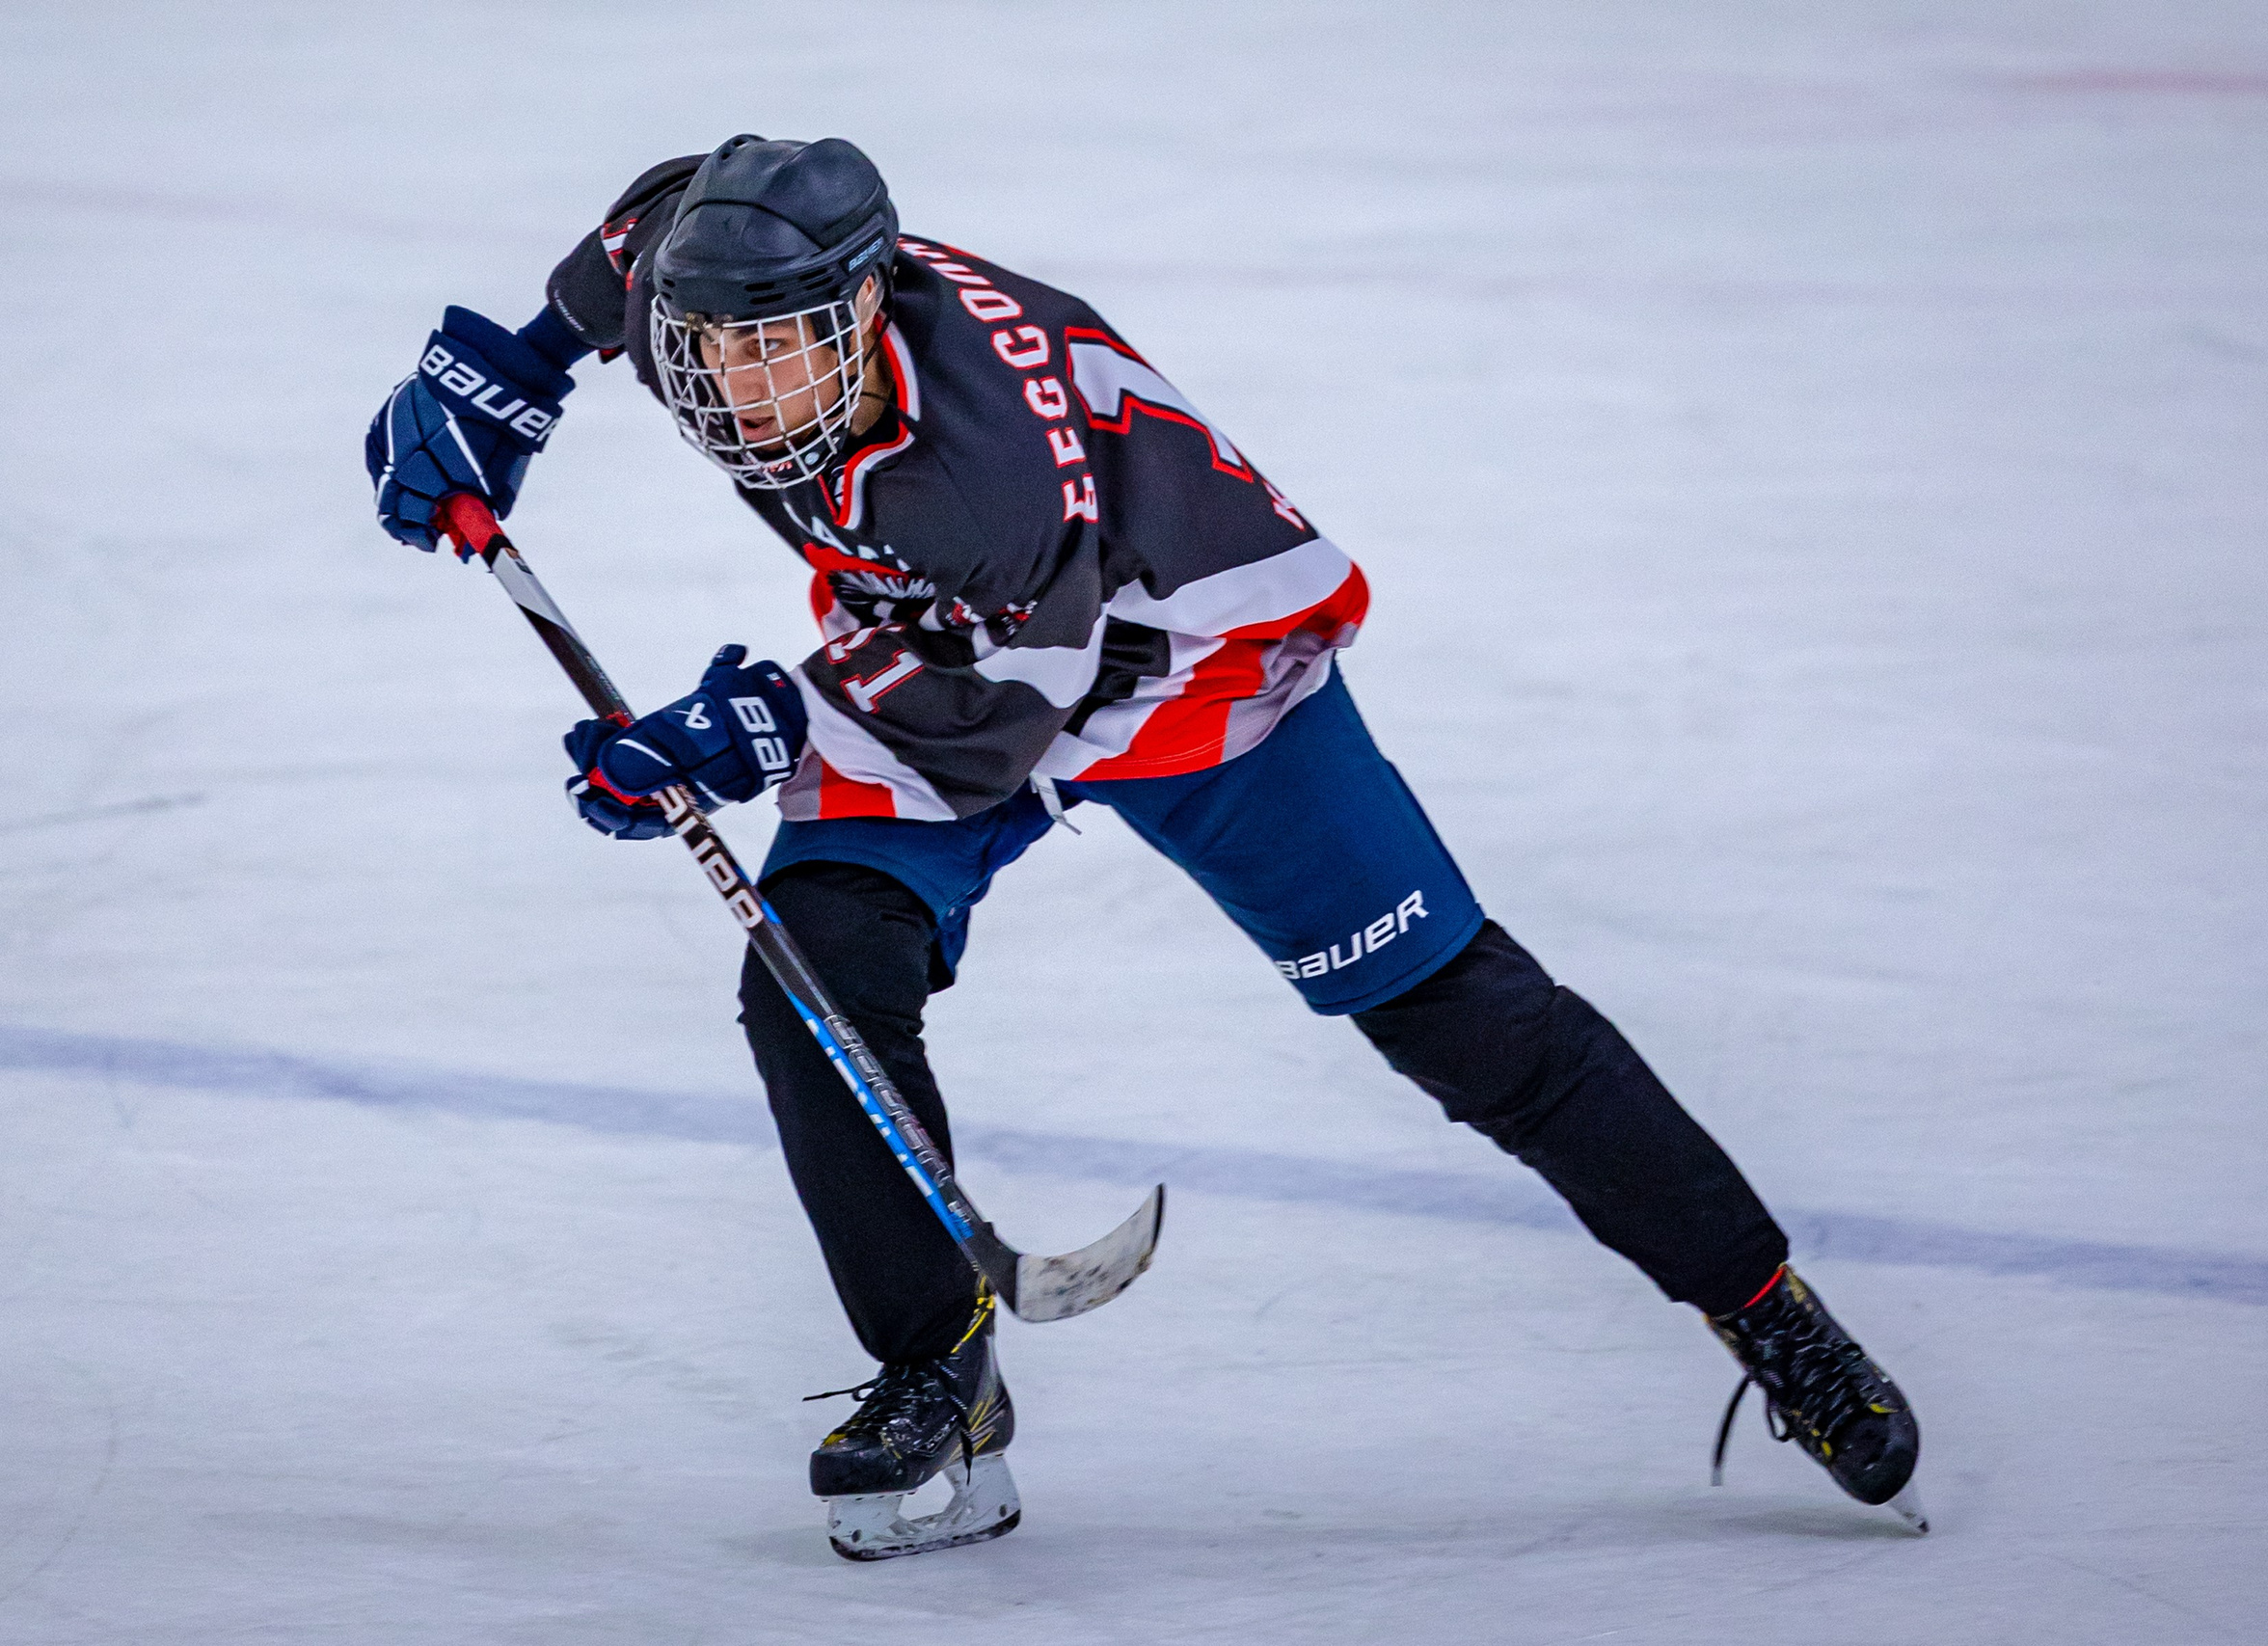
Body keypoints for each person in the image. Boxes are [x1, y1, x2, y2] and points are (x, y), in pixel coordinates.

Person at [365, 134, 1923, 1558]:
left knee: (1464, 1016)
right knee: (817, 978)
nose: (745, 389)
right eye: (715, 350)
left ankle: (1764, 1305)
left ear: (865, 307)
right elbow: (639, 237)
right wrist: (510, 376)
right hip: (951, 633)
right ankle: (939, 1385)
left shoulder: (976, 464)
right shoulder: (710, 280)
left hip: (1191, 667)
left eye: (782, 349)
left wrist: (747, 729)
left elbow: (992, 688)